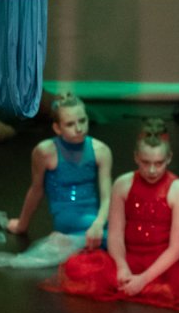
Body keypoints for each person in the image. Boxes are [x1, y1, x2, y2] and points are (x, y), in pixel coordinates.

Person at [44, 118, 179, 310]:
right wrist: (122, 266)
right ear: (136, 157)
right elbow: (115, 234)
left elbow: (176, 248)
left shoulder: (178, 191)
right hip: (131, 257)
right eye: (146, 163)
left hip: (166, 261)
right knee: (81, 273)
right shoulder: (123, 184)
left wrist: (142, 280)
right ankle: (132, 277)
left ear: (169, 158)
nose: (152, 170)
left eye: (159, 163)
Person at [7, 92, 112, 247]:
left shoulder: (101, 150)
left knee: (116, 237)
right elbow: (36, 190)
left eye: (82, 121)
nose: (79, 128)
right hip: (67, 221)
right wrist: (21, 225)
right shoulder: (45, 152)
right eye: (70, 124)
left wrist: (99, 223)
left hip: (95, 220)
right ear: (57, 128)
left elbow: (107, 197)